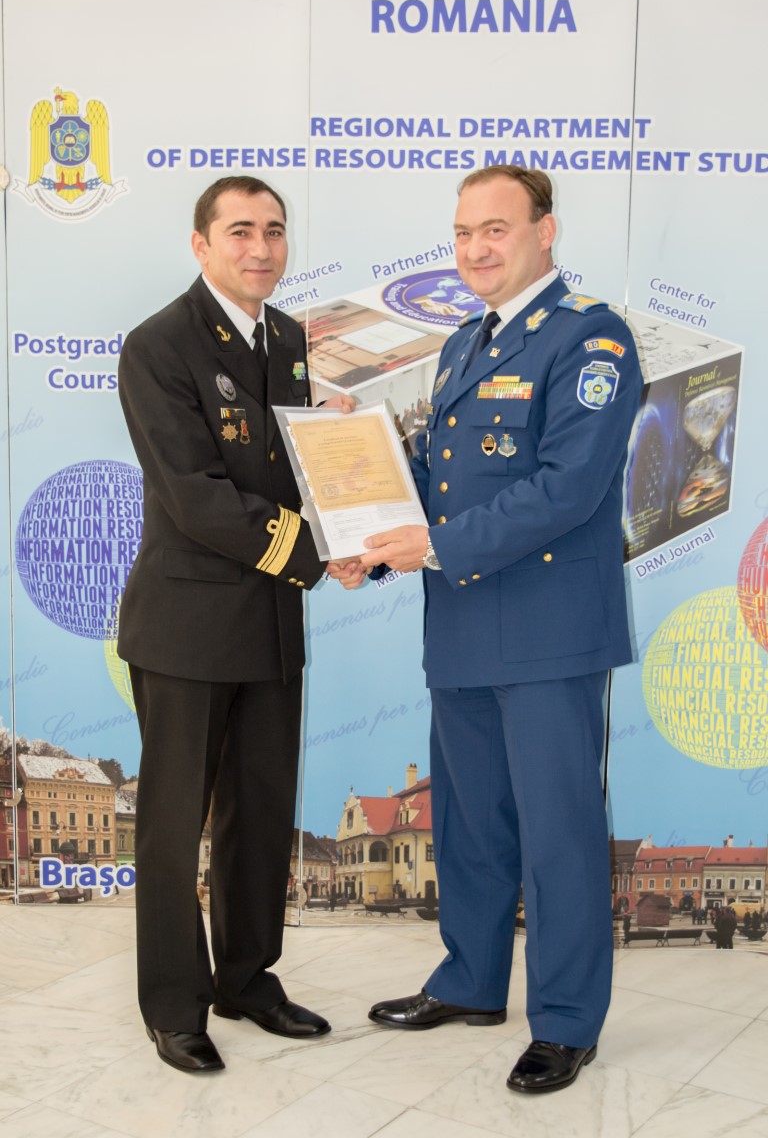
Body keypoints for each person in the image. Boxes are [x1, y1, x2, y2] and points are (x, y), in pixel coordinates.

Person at [331, 165, 642, 1094]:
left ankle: (567, 1021)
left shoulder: (591, 339)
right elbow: (440, 480)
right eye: (464, 233)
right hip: (463, 623)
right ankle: (470, 982)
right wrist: (370, 533)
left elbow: (567, 489)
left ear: (545, 231)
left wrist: (428, 544)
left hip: (549, 632)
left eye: (496, 229)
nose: (476, 248)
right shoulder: (464, 343)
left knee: (558, 836)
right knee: (468, 826)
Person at [118, 175, 352, 1074]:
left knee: (260, 813)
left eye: (275, 231)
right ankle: (175, 1005)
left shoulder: (290, 339)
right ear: (201, 244)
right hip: (187, 622)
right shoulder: (158, 344)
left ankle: (248, 980)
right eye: (241, 231)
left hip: (270, 621)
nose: (261, 248)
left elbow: (292, 462)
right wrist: (313, 551)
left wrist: (346, 484)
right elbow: (196, 495)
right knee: (174, 825)